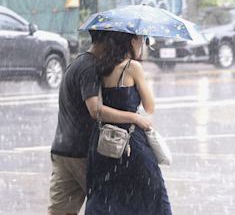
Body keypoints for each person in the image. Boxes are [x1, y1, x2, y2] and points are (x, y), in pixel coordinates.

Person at [48, 30, 152, 215]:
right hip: (82, 152)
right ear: (107, 41)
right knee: (109, 205)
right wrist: (134, 117)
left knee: (61, 211)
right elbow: (96, 110)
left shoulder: (77, 62)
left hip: (62, 150)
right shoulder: (90, 68)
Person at [84, 30, 172, 215]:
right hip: (132, 143)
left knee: (110, 199)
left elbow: (98, 109)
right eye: (142, 39)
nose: (143, 44)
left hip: (105, 145)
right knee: (151, 196)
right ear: (131, 41)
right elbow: (150, 106)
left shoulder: (100, 67)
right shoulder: (133, 67)